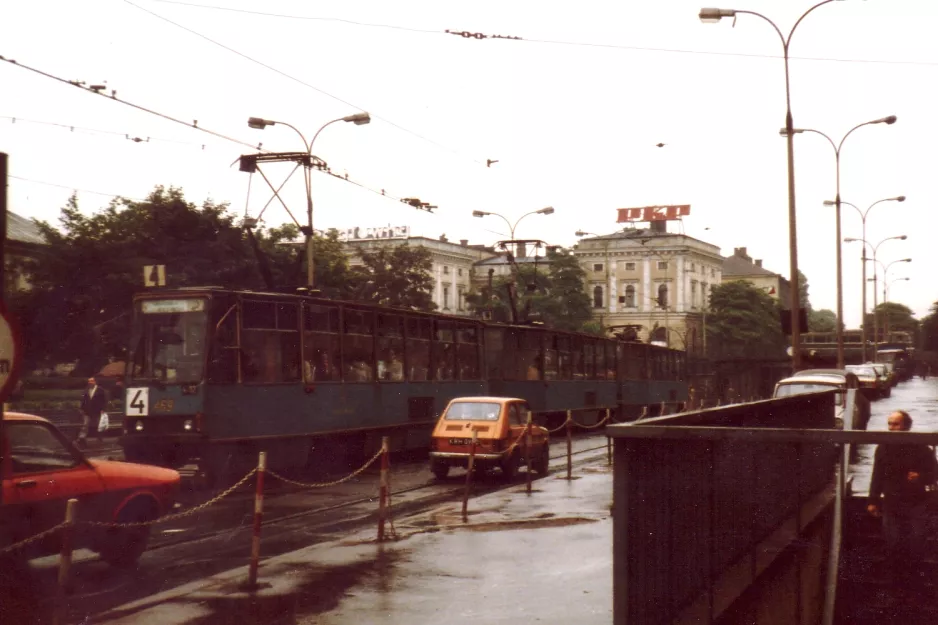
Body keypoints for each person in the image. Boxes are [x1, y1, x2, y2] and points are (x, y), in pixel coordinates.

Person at [867, 410, 938, 591]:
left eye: (895, 424)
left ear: (906, 426)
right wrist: (873, 500)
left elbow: (934, 474)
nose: (891, 428)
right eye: (889, 424)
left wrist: (920, 477)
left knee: (916, 545)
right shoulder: (883, 448)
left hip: (916, 503)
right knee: (893, 544)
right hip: (892, 503)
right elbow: (877, 476)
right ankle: (895, 586)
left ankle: (915, 586)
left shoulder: (921, 448)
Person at [79, 376, 108, 447]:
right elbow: (84, 400)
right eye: (89, 381)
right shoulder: (86, 390)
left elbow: (104, 401)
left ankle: (100, 438)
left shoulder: (100, 390)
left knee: (99, 425)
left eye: (91, 381)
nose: (90, 383)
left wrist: (103, 409)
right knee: (85, 424)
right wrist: (82, 408)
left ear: (95, 382)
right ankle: (82, 438)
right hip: (87, 411)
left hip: (97, 411)